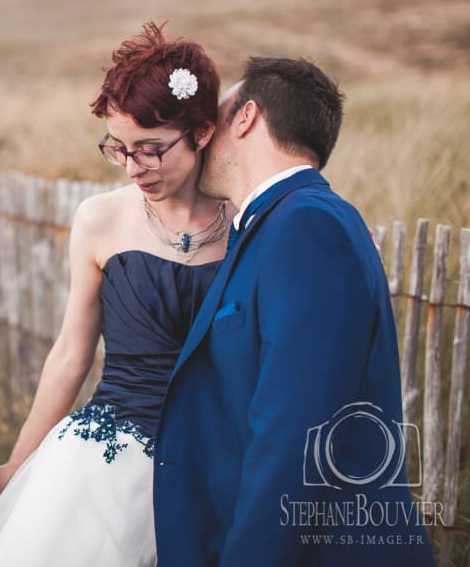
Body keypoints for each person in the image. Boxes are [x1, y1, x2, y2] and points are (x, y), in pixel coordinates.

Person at [0, 22, 235, 566]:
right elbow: (70, 353)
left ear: (201, 131)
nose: (134, 168)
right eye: (119, 149)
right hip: (103, 465)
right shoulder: (99, 219)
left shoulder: (248, 225)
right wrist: (18, 463)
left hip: (213, 465)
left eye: (151, 149)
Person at [152, 58, 437, 566]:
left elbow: (295, 435)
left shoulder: (306, 226)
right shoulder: (273, 225)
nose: (199, 136)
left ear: (245, 118)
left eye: (213, 117)